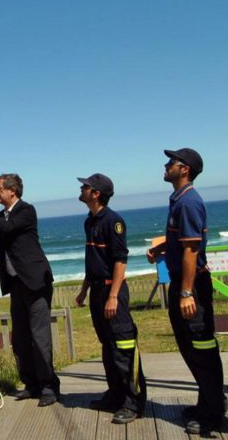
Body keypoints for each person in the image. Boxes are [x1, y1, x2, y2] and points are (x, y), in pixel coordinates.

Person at [146, 149, 225, 434]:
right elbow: (181, 242)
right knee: (189, 347)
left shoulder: (189, 202)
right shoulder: (178, 200)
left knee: (201, 348)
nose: (166, 166)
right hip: (183, 283)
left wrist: (187, 293)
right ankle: (207, 402)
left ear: (185, 170)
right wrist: (161, 249)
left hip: (191, 287)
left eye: (171, 163)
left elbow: (192, 250)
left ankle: (213, 412)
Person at [0, 173, 60, 407]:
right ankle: (31, 384)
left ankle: (49, 386)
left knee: (39, 337)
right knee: (20, 338)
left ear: (13, 191)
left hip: (35, 282)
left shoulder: (25, 211)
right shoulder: (1, 216)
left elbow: (8, 228)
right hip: (16, 284)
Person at [75, 173, 146, 424]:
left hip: (112, 291)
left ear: (96, 194)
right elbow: (92, 260)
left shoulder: (113, 221)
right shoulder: (89, 221)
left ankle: (132, 401)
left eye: (85, 187)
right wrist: (84, 290)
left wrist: (113, 296)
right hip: (96, 290)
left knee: (123, 346)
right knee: (108, 346)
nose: (81, 189)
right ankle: (115, 394)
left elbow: (120, 260)